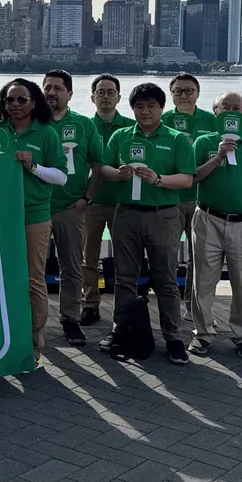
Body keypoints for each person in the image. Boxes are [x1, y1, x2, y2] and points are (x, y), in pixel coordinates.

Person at [102, 83, 197, 365]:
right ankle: (120, 329)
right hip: (126, 214)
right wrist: (118, 174)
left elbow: (187, 179)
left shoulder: (177, 139)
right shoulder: (121, 136)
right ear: (132, 109)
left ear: (161, 108)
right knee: (124, 277)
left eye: (151, 106)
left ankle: (173, 337)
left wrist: (158, 179)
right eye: (139, 106)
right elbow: (104, 169)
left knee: (165, 278)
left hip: (163, 215)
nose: (145, 111)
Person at [190, 92, 242, 360]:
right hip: (208, 219)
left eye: (237, 108)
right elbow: (193, 177)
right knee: (203, 280)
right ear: (216, 113)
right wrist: (218, 157)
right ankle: (203, 333)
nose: (232, 112)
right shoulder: (203, 142)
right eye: (225, 107)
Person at [0, 78, 66, 362]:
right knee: (3, 276)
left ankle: (34, 342)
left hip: (34, 215)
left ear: (34, 103)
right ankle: (5, 337)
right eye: (10, 99)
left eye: (22, 99)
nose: (15, 104)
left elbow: (61, 177)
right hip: (1, 215)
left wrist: (33, 166)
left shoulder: (47, 134)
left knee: (34, 279)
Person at [42, 70, 103, 347]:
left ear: (69, 93)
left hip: (71, 207)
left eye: (57, 88)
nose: (51, 93)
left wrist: (86, 199)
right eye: (47, 87)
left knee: (71, 267)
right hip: (37, 208)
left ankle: (70, 319)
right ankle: (33, 321)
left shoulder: (84, 125)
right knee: (33, 269)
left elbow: (97, 165)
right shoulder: (34, 123)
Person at [83, 75, 135, 325]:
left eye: (110, 92)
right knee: (88, 258)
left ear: (119, 97)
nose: (106, 96)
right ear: (92, 97)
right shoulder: (84, 126)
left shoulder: (131, 128)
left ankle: (124, 308)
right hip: (91, 201)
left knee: (125, 258)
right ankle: (90, 304)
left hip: (122, 203)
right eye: (101, 92)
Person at [163, 73, 216, 304]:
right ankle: (170, 302)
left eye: (189, 91)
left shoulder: (212, 121)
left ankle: (193, 306)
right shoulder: (162, 120)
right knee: (167, 254)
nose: (183, 95)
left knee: (200, 256)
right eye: (178, 91)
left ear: (198, 93)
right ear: (171, 94)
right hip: (170, 198)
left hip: (201, 200)